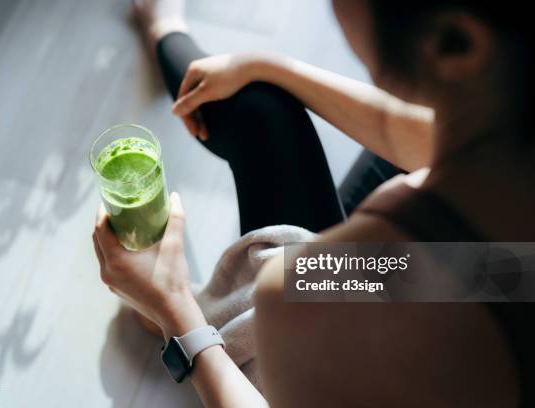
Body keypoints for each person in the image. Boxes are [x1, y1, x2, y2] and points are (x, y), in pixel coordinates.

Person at [92, 0, 534, 406]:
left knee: (261, 121)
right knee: (261, 102)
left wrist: (176, 313)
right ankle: (164, 23)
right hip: (486, 272)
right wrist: (270, 67)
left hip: (406, 299)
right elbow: (419, 140)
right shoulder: (501, 131)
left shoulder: (305, 292)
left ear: (455, 42)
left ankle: (182, 307)